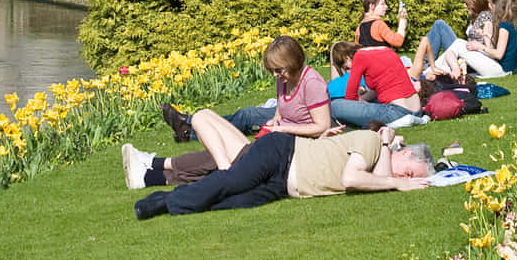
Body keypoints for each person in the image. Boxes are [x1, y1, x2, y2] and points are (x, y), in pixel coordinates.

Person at [129, 112, 431, 218]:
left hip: (283, 184)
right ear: (406, 155)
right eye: (410, 172)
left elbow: (380, 179)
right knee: (229, 181)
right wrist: (393, 164)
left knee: (233, 202)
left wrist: (395, 177)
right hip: (281, 153)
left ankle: (178, 201)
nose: (406, 178)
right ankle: (164, 202)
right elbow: (352, 179)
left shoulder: (380, 162)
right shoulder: (369, 140)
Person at [161, 36, 332, 141]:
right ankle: (191, 128)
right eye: (271, 70)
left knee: (243, 135)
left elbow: (322, 126)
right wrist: (275, 121)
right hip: (281, 135)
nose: (275, 75)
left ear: (293, 63)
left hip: (297, 140)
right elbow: (280, 111)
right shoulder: (284, 78)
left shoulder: (311, 83)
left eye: (278, 70)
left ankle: (189, 128)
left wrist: (283, 129)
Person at [331, 42, 424, 129]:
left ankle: (395, 122)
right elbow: (379, 91)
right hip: (416, 109)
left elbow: (350, 96)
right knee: (373, 102)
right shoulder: (386, 50)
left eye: (347, 67)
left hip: (397, 112)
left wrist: (360, 101)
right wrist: (364, 99)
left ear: (346, 57)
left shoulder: (360, 56)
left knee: (335, 105)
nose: (348, 71)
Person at [411, 0, 494, 80]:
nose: (465, 7)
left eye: (467, 4)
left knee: (440, 25)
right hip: (467, 51)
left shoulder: (485, 16)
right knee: (439, 25)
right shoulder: (476, 17)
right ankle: (427, 63)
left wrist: (480, 40)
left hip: (472, 54)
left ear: (475, 3)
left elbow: (488, 42)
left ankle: (427, 64)